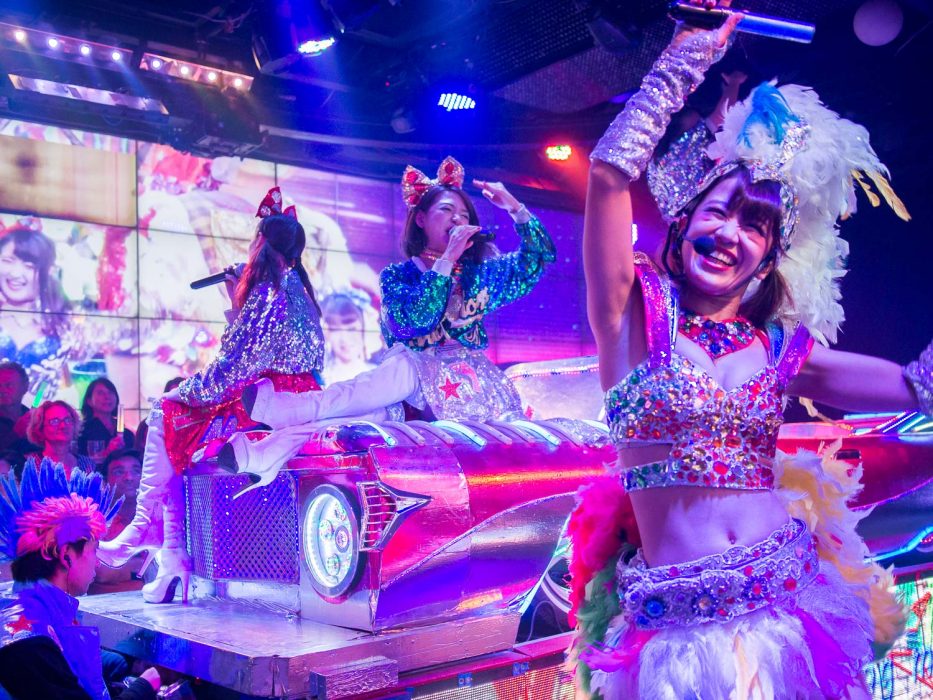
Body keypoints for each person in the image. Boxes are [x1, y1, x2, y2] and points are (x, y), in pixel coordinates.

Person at [569, 5, 928, 698]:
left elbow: (916, 387)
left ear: (766, 260)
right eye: (718, 210)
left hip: (790, 614)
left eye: (755, 225)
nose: (731, 232)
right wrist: (685, 56)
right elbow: (609, 177)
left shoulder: (781, 350)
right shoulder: (629, 319)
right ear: (683, 224)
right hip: (675, 645)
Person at [218, 157, 556, 482]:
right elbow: (414, 322)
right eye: (446, 211)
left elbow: (539, 259)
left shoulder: (481, 276)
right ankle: (266, 452)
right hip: (412, 380)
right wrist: (446, 258)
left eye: (463, 214)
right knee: (361, 412)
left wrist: (515, 207)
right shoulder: (398, 277)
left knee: (363, 402)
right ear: (420, 219)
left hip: (463, 386)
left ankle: (288, 415)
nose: (456, 219)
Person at [96, 186, 325, 604]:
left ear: (260, 243)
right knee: (180, 433)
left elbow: (230, 371)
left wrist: (186, 391)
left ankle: (156, 536)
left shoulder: (267, 292)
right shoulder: (299, 292)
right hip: (294, 396)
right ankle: (166, 552)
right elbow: (254, 351)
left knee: (168, 411)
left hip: (271, 403)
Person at [0, 458, 161, 699]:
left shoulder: (36, 609)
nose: (96, 562)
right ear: (66, 556)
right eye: (94, 550)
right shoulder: (28, 643)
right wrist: (145, 686)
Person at [0, 223, 71, 397]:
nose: (16, 274)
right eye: (8, 261)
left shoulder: (62, 327)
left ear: (48, 272)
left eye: (29, 266)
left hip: (40, 421)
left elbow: (66, 386)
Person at [88, 449, 145, 595]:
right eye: (119, 472)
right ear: (106, 481)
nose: (129, 477)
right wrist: (143, 567)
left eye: (136, 471)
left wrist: (121, 569)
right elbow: (100, 572)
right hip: (104, 605)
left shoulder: (157, 516)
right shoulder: (95, 519)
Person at [26, 401, 96, 479]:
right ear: (40, 428)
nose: (63, 426)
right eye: (55, 421)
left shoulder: (87, 464)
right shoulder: (32, 465)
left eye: (67, 420)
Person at [76, 378, 134, 465]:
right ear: (89, 401)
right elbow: (81, 463)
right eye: (100, 393)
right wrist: (107, 452)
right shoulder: (82, 431)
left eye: (110, 392)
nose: (107, 397)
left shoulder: (127, 434)